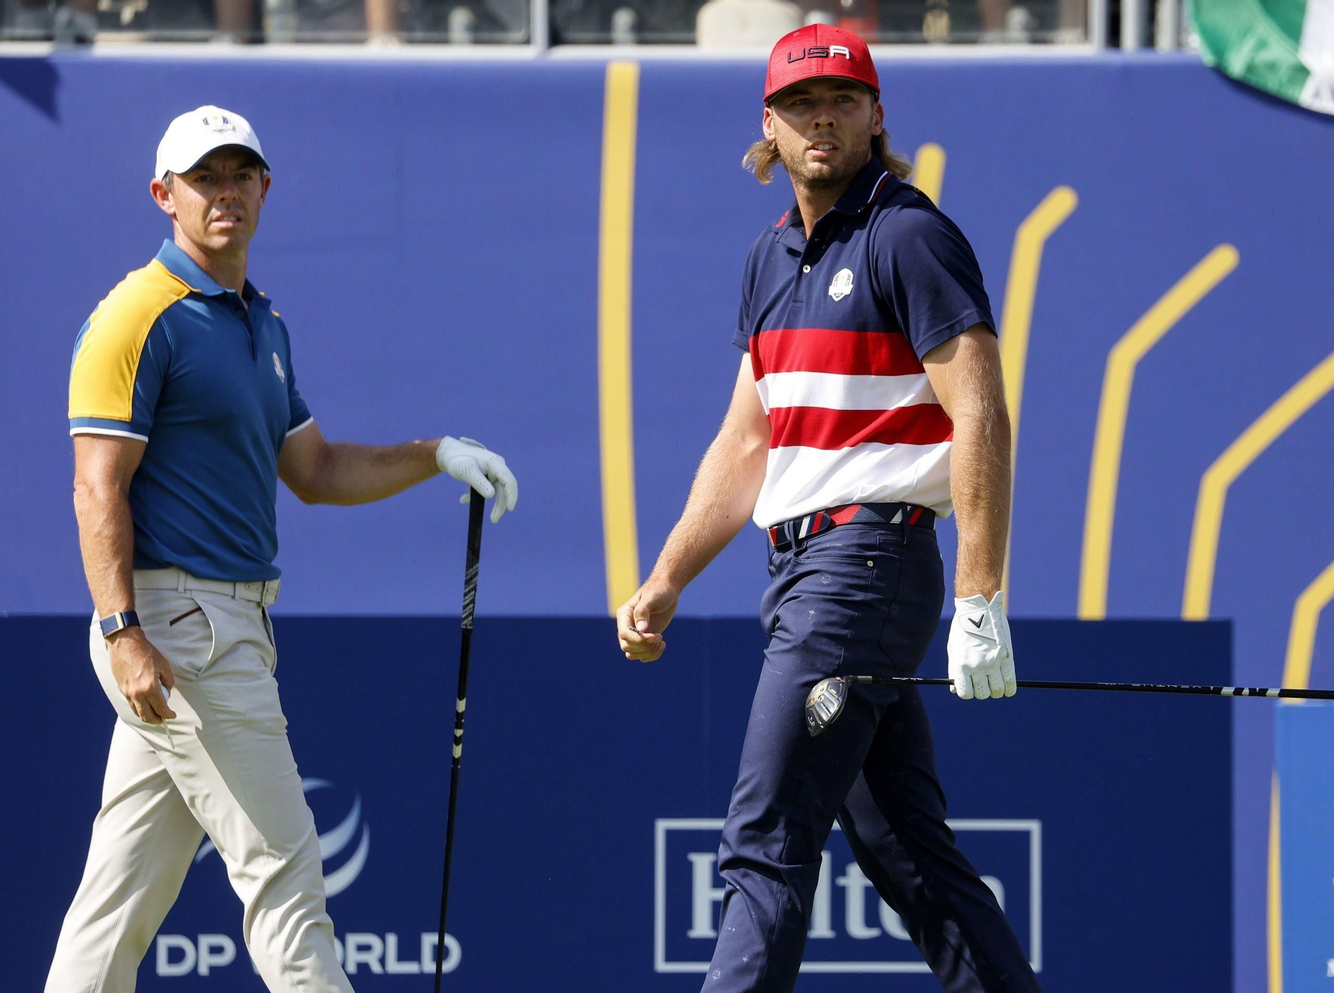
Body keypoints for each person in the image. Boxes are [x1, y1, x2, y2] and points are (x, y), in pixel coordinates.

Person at [48, 105, 518, 993]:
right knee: (287, 876)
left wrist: (435, 455)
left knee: (117, 898)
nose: (224, 192)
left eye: (239, 174)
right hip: (181, 631)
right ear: (164, 195)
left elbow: (315, 468)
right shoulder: (137, 315)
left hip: (219, 628)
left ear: (265, 187)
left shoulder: (260, 322)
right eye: (203, 178)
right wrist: (121, 630)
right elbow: (96, 486)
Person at [616, 24, 1041, 993]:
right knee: (910, 856)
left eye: (842, 101)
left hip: (865, 569)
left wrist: (981, 596)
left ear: (876, 115)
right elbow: (747, 442)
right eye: (800, 105)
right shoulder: (768, 260)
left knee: (765, 837)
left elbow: (980, 411)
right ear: (768, 125)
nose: (822, 120)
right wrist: (668, 576)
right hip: (803, 574)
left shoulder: (910, 235)